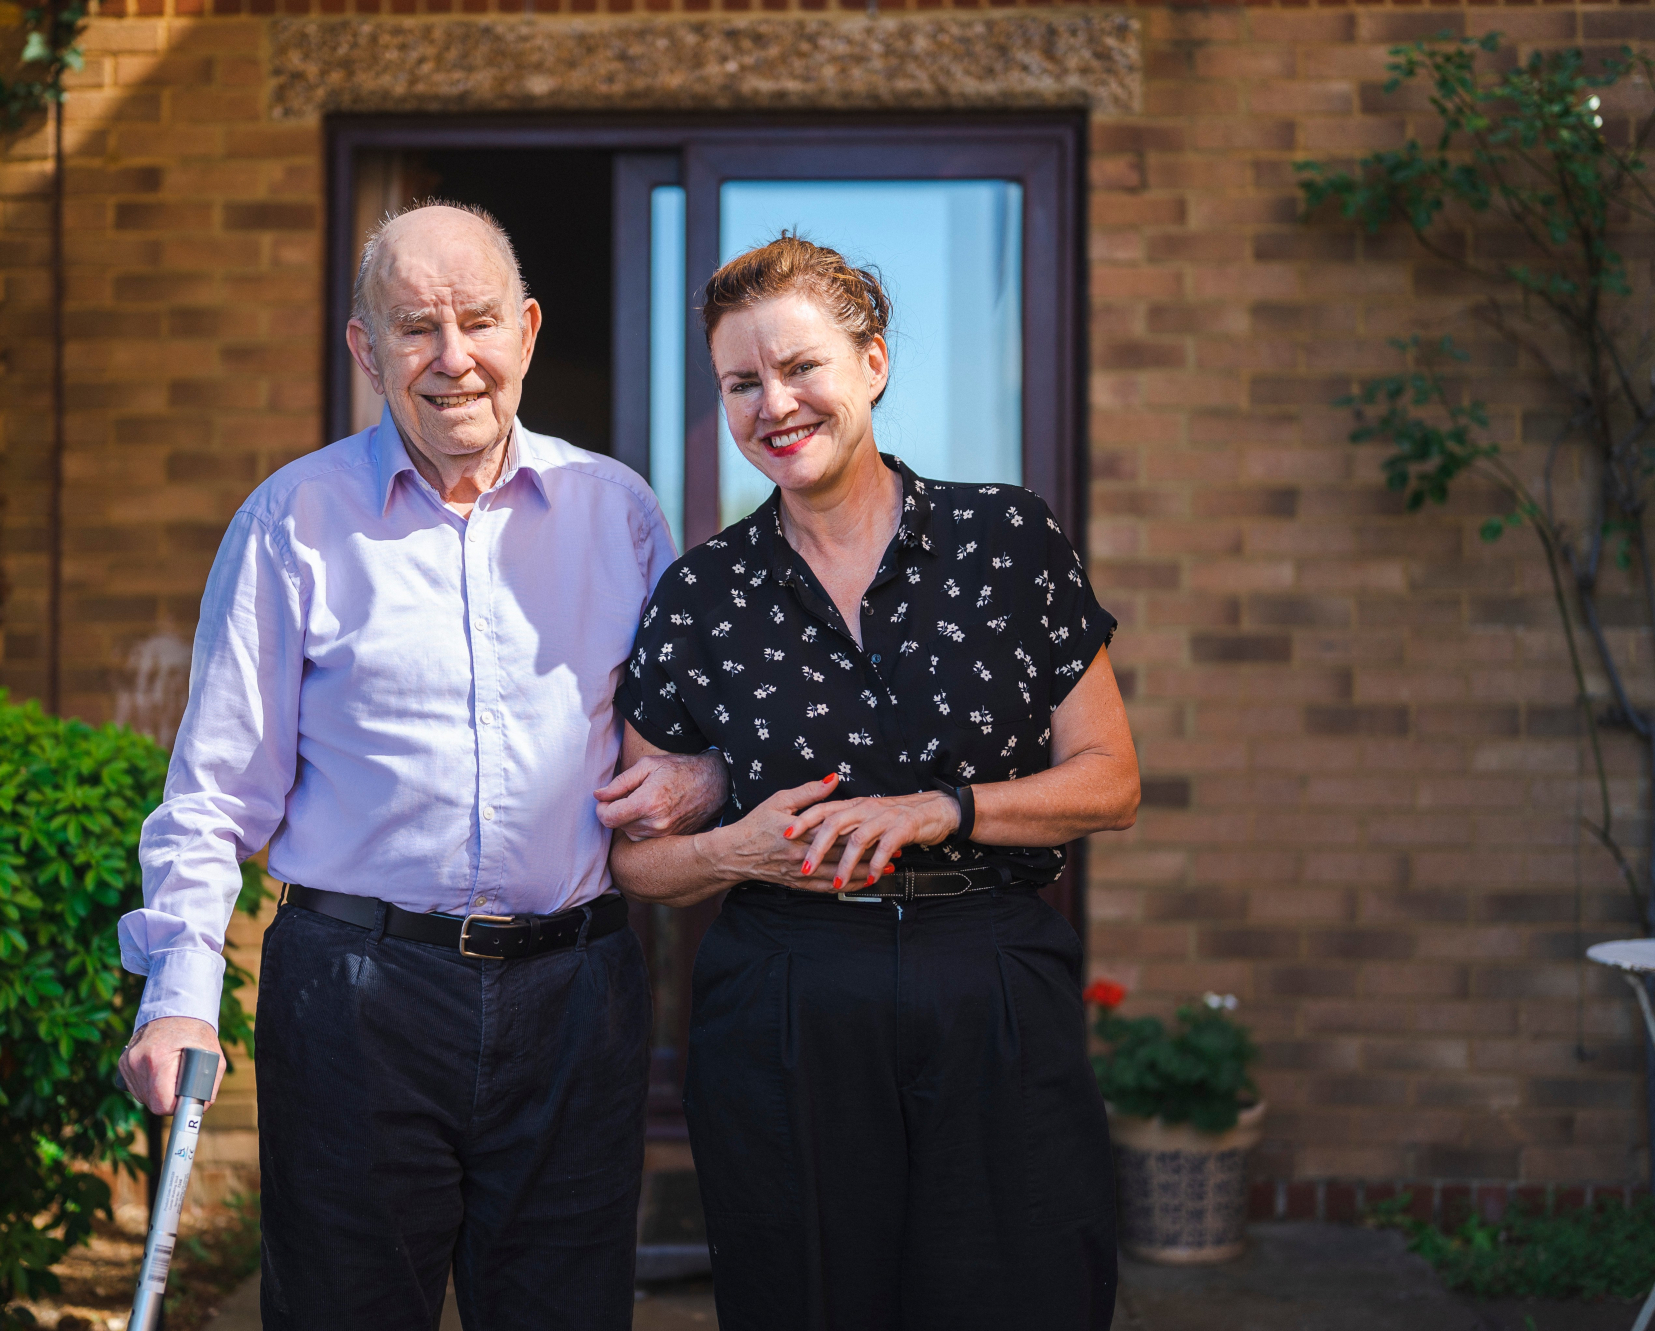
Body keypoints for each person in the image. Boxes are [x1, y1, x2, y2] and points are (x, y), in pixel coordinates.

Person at [116, 200, 728, 1331]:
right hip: (356, 994)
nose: (453, 359)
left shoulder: (621, 514)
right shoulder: (288, 520)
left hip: (576, 994)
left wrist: (701, 781)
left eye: (480, 321)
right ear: (363, 349)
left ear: (529, 331)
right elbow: (211, 797)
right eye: (413, 328)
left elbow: (683, 743)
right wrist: (178, 997)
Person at [609, 234, 1139, 1330]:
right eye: (741, 382)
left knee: (1026, 1285)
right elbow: (637, 853)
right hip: (787, 992)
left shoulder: (1007, 538)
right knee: (804, 1297)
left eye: (800, 366)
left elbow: (1110, 780)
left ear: (873, 364)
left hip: (986, 970)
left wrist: (945, 806)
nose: (774, 403)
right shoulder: (699, 594)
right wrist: (729, 848)